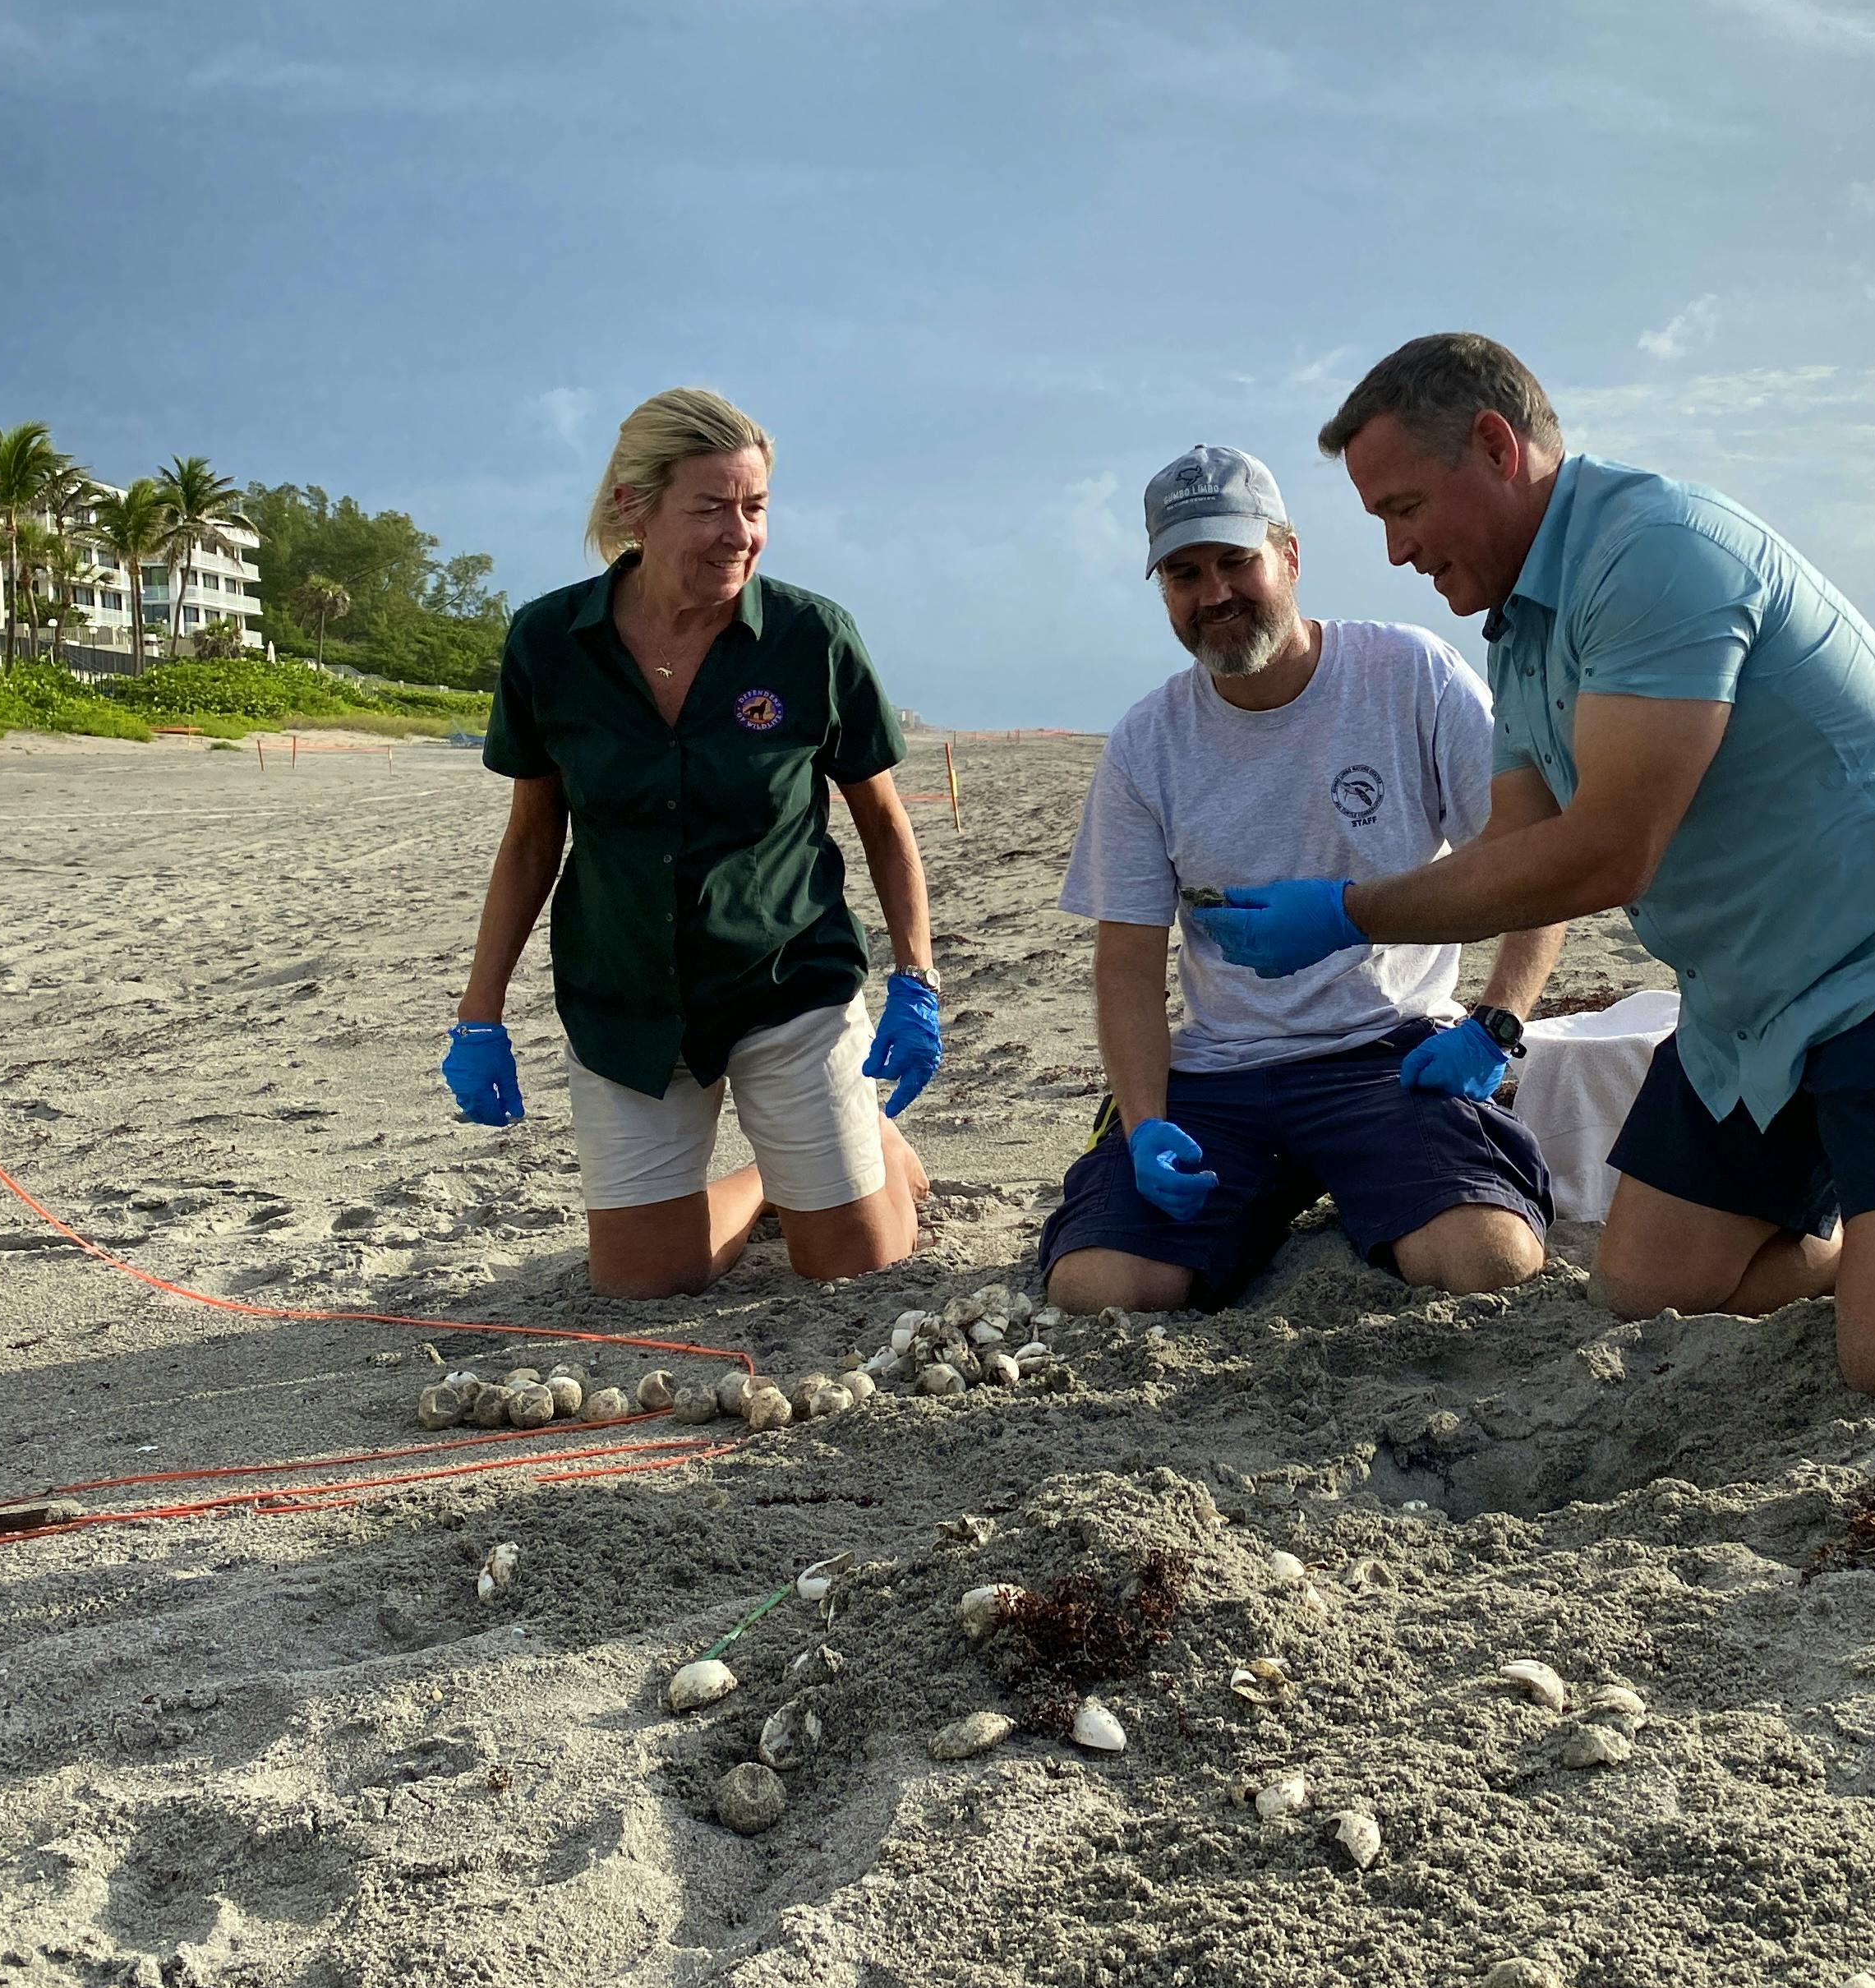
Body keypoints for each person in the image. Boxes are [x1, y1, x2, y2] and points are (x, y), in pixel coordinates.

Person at [1189, 335, 1875, 1397]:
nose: (1394, 551)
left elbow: (1610, 851)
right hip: (1749, 1002)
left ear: (1494, 446)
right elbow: (1519, 855)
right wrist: (1483, 1014)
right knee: (1647, 1286)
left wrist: (1344, 912)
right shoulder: (1519, 633)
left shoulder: (1655, 555)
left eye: (1405, 508)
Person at [1039, 443, 1561, 1316]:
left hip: (1390, 1055)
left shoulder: (1411, 675)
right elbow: (1127, 962)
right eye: (1184, 572)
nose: (1215, 595)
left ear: (1289, 556)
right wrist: (1142, 1124)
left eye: (1236, 561)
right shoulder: (1147, 742)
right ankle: (1252, 1203)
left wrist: (1494, 1025)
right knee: (1096, 1290)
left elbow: (1538, 859)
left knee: (1491, 1260)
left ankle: (1367, 1192)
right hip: (1222, 1075)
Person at [445, 386, 940, 1298]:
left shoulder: (810, 637)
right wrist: (480, 1016)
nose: (738, 534)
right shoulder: (551, 643)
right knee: (642, 1283)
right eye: (710, 508)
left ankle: (857, 1153)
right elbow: (529, 840)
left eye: (754, 508)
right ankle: (773, 1183)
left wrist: (916, 977)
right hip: (626, 1002)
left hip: (789, 985)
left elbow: (882, 818)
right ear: (633, 506)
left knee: (852, 1265)